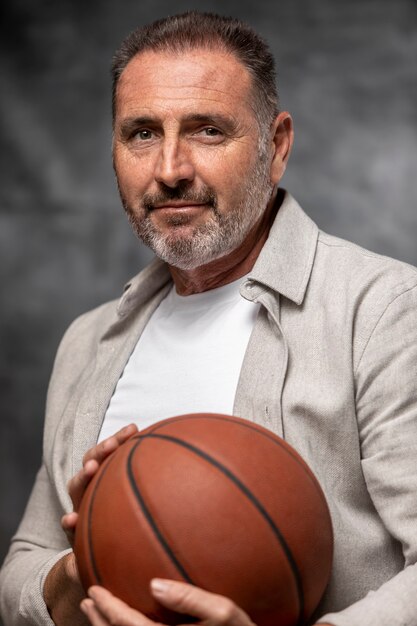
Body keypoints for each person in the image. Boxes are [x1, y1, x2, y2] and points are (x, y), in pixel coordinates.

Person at [1, 11, 417, 626]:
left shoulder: (383, 312)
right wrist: (86, 559)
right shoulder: (88, 340)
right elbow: (23, 569)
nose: (170, 170)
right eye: (142, 133)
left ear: (275, 147)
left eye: (207, 131)